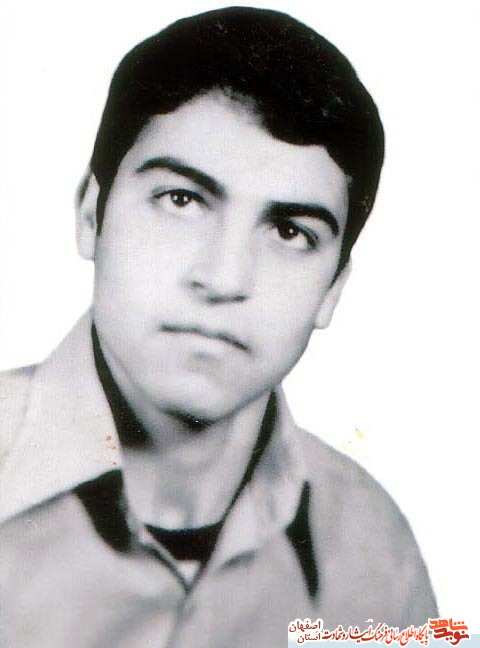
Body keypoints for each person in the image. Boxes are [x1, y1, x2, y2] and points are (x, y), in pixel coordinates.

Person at [0, 7, 437, 647]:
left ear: (333, 289)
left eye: (290, 232)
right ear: (92, 216)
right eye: (181, 199)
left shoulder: (376, 547)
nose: (225, 277)